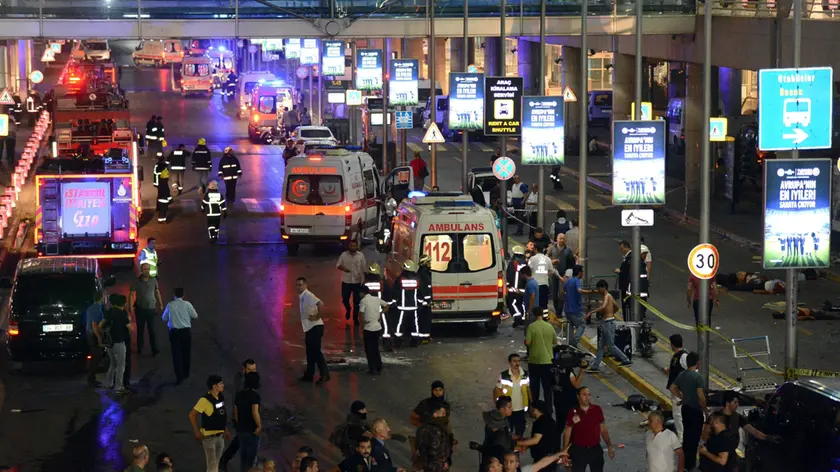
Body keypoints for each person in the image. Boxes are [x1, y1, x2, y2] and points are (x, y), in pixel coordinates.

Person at [561, 386, 617, 472]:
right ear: (578, 396)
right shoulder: (573, 412)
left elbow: (603, 429)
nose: (587, 397)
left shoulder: (597, 409)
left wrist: (609, 445)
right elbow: (567, 432)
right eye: (584, 395)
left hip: (595, 449)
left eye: (589, 394)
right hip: (579, 450)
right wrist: (564, 451)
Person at [669, 351, 708, 472]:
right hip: (695, 411)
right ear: (697, 363)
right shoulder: (698, 377)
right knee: (694, 438)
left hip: (685, 409)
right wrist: (706, 410)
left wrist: (681, 397)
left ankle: (685, 463)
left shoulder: (682, 375)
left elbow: (672, 387)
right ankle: (691, 464)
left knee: (687, 437)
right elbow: (701, 397)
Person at [585, 279, 633, 372]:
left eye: (599, 288)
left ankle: (626, 359)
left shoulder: (607, 296)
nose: (598, 290)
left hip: (608, 323)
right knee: (601, 346)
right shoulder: (608, 297)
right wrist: (611, 314)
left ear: (603, 287)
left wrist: (591, 312)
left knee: (611, 346)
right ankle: (595, 366)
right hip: (607, 322)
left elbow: (603, 307)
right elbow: (617, 307)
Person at [220, 359, 258, 470]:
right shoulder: (242, 382)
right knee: (245, 441)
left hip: (243, 417)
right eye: (250, 370)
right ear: (244, 369)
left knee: (240, 440)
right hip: (242, 417)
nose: (252, 372)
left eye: (254, 370)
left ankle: (225, 459)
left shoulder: (246, 379)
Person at [189, 375, 231, 472]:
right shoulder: (204, 400)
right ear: (214, 386)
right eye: (220, 383)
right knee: (212, 465)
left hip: (220, 437)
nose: (223, 385)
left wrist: (226, 430)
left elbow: (221, 416)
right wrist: (197, 431)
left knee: (215, 464)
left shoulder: (220, 397)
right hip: (209, 438)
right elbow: (192, 415)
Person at [296, 277, 329, 384]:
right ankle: (309, 375)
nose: (298, 287)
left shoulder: (308, 295)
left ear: (305, 285)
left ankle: (325, 374)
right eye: (297, 285)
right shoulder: (302, 296)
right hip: (310, 329)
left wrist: (318, 316)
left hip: (315, 328)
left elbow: (321, 304)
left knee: (315, 352)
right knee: (310, 352)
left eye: (300, 285)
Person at [162, 287, 199, 384]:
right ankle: (186, 373)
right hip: (186, 332)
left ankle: (179, 376)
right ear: (183, 295)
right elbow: (195, 316)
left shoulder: (170, 305)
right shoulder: (187, 304)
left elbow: (164, 318)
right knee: (186, 353)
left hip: (174, 333)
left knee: (176, 355)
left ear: (173, 295)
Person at [525, 307, 556, 417]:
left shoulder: (531, 327)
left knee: (535, 388)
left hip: (534, 361)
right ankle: (549, 410)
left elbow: (527, 342)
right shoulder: (549, 326)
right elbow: (554, 341)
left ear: (534, 315)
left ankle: (536, 410)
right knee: (547, 388)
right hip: (548, 361)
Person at [100, 293, 133, 394]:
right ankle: (118, 387)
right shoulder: (122, 314)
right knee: (120, 365)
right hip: (119, 342)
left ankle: (107, 383)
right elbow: (130, 328)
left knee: (113, 363)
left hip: (109, 342)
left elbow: (101, 325)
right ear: (123, 304)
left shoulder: (109, 312)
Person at [493, 353, 531, 438]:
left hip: (521, 409)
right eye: (514, 361)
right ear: (509, 363)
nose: (517, 363)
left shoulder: (525, 374)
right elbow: (496, 390)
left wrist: (530, 403)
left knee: (520, 433)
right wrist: (498, 405)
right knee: (507, 433)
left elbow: (528, 389)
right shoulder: (504, 375)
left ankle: (517, 450)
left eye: (518, 361)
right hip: (508, 410)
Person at [129, 261, 163, 356]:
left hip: (151, 309)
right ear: (141, 270)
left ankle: (154, 349)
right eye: (145, 269)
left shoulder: (153, 280)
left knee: (152, 330)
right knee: (140, 330)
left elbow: (157, 292)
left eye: (148, 269)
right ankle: (140, 348)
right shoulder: (137, 281)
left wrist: (160, 304)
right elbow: (131, 294)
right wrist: (130, 306)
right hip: (140, 309)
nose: (147, 271)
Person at [517, 400, 558, 471]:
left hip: (543, 459)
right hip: (551, 458)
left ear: (535, 410)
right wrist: (526, 443)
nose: (530, 412)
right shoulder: (550, 421)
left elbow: (535, 440)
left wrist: (516, 443)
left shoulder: (540, 423)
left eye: (531, 409)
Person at [390, 260, 423, 345]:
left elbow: (395, 292)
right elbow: (420, 293)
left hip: (402, 307)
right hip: (413, 306)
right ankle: (415, 341)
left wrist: (393, 302)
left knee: (400, 324)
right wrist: (420, 303)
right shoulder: (417, 279)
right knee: (414, 324)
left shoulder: (400, 279)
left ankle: (398, 341)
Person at [234, 372, 262, 472]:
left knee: (243, 456)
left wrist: (239, 425)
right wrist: (259, 426)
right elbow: (255, 412)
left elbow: (236, 413)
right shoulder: (255, 396)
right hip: (251, 430)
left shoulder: (239, 395)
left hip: (241, 430)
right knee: (250, 461)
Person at [664, 334, 689, 442]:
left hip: (679, 392)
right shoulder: (676, 356)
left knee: (679, 416)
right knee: (677, 415)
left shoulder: (683, 356)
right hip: (676, 392)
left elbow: (691, 371)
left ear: (672, 344)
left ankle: (682, 438)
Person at [359, 285, 389, 375]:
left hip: (368, 328)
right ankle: (379, 366)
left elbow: (361, 313)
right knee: (375, 348)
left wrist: (362, 323)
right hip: (377, 327)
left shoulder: (363, 301)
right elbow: (387, 305)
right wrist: (381, 313)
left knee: (369, 349)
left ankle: (373, 369)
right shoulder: (376, 299)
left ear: (362, 293)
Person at [413, 406, 453, 472]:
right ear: (435, 414)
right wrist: (443, 461)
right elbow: (435, 451)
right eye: (443, 413)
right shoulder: (436, 430)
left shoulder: (422, 427)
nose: (445, 415)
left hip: (426, 464)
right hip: (434, 466)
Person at [616, 240, 648, 320]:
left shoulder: (632, 261)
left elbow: (630, 276)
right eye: (645, 254)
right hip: (637, 292)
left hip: (633, 291)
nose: (645, 256)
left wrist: (620, 272)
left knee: (631, 310)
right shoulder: (638, 263)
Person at [336, 239, 366, 325]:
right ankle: (348, 309)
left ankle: (355, 318)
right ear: (349, 246)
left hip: (357, 282)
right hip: (346, 282)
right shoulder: (343, 255)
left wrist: (364, 281)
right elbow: (338, 265)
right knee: (345, 300)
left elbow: (364, 269)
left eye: (354, 246)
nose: (353, 247)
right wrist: (344, 269)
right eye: (351, 245)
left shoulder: (361, 256)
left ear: (357, 246)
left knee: (357, 302)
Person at [564, 265, 593, 348]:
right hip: (575, 309)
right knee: (582, 324)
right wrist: (590, 292)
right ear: (579, 272)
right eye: (582, 272)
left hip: (567, 309)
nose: (583, 274)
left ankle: (570, 344)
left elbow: (564, 291)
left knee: (570, 326)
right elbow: (579, 290)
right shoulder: (577, 280)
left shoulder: (568, 281)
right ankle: (574, 343)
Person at [548, 233, 575, 315]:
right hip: (553, 273)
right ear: (557, 239)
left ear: (565, 240)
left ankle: (559, 311)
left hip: (563, 274)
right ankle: (556, 309)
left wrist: (568, 274)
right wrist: (551, 262)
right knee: (554, 293)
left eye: (563, 238)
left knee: (561, 293)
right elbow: (547, 258)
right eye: (560, 238)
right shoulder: (552, 248)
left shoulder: (568, 250)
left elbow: (571, 263)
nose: (562, 240)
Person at [85, 292, 107, 386]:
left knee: (95, 356)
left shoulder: (90, 308)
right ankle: (91, 378)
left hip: (89, 333)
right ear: (101, 298)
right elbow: (95, 325)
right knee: (97, 357)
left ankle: (92, 377)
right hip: (93, 335)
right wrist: (99, 338)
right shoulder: (97, 309)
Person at [528, 246, 557, 313]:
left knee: (534, 303)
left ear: (535, 249)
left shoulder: (532, 259)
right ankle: (544, 318)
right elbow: (551, 271)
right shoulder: (548, 259)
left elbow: (529, 270)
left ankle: (535, 318)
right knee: (544, 304)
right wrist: (545, 275)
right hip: (544, 284)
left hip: (534, 284)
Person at [506, 245, 528, 326]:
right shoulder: (525, 263)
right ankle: (523, 318)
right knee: (522, 303)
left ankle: (517, 317)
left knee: (513, 303)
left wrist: (507, 286)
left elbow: (510, 275)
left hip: (514, 289)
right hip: (524, 288)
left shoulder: (513, 263)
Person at [415, 254, 433, 343]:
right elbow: (425, 289)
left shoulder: (424, 272)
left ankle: (426, 336)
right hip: (424, 303)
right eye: (429, 262)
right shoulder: (424, 274)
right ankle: (423, 338)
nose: (430, 264)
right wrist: (427, 301)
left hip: (424, 302)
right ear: (425, 263)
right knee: (423, 320)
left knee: (426, 319)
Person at [155, 155, 172, 224]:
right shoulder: (164, 182)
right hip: (163, 198)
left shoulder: (158, 167)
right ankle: (162, 219)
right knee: (163, 209)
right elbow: (167, 190)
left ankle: (161, 219)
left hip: (161, 197)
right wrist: (170, 198)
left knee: (162, 209)